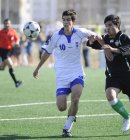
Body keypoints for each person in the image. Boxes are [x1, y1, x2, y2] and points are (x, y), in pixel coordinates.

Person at [33, 9, 97, 137]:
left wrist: (105, 48)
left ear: (73, 21)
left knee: (75, 99)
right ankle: (71, 114)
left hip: (77, 73)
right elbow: (47, 52)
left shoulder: (80, 32)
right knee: (61, 107)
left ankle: (67, 127)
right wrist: (37, 68)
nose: (66, 22)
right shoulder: (56, 36)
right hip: (62, 75)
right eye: (64, 20)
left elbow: (97, 36)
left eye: (68, 20)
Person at [87, 15, 130, 132]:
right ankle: (127, 118)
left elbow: (128, 50)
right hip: (113, 75)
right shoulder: (105, 38)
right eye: (106, 26)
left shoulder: (123, 37)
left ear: (117, 25)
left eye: (110, 25)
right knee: (110, 95)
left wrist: (112, 49)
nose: (107, 28)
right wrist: (91, 41)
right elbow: (95, 44)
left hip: (127, 74)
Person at [0, 18, 22, 88]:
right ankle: (16, 82)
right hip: (2, 51)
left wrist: (17, 43)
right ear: (4, 24)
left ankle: (16, 82)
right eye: (6, 23)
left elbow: (17, 39)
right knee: (11, 65)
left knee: (2, 68)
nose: (7, 25)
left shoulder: (13, 31)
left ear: (10, 24)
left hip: (10, 51)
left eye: (8, 23)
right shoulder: (1, 32)